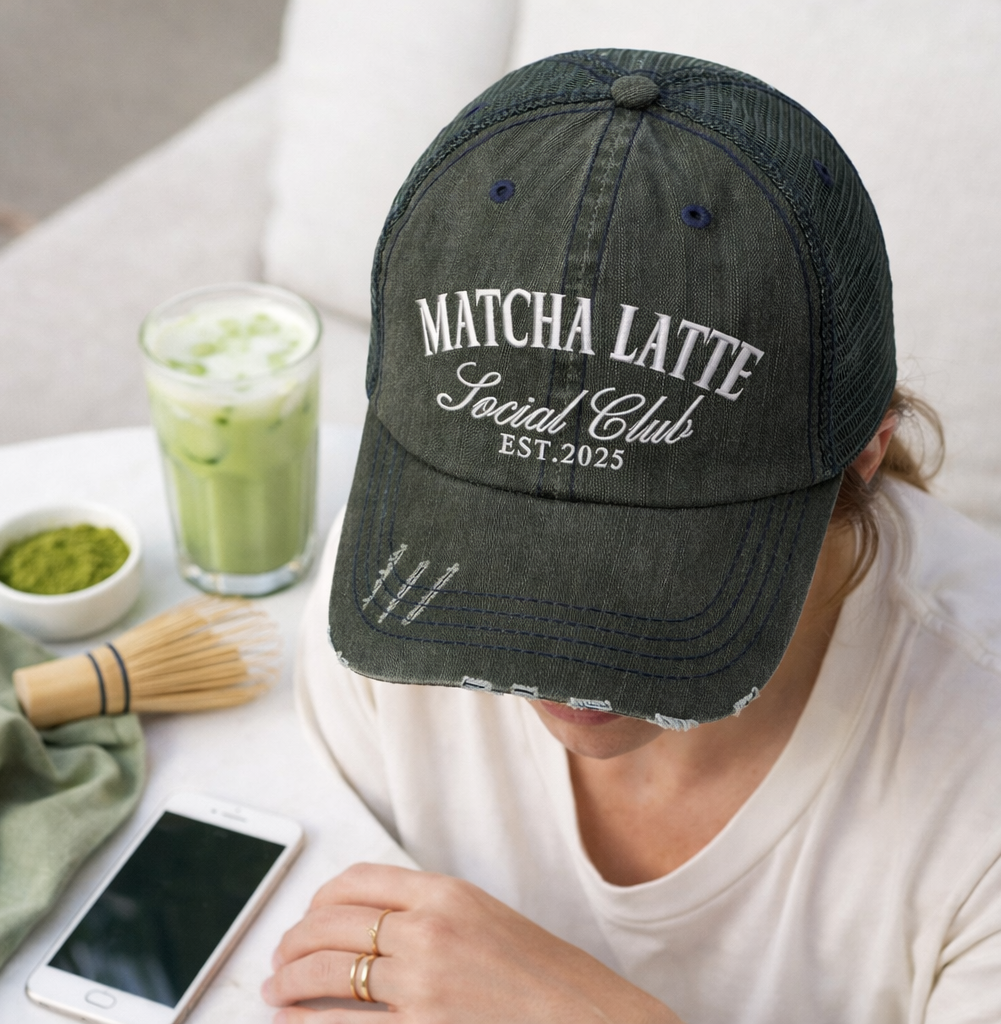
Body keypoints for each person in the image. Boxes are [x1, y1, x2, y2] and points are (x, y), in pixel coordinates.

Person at [262, 49, 1001, 1022]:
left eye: (643, 564)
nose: (560, 669)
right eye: (500, 533)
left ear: (865, 451)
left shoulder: (973, 779)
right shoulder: (398, 588)